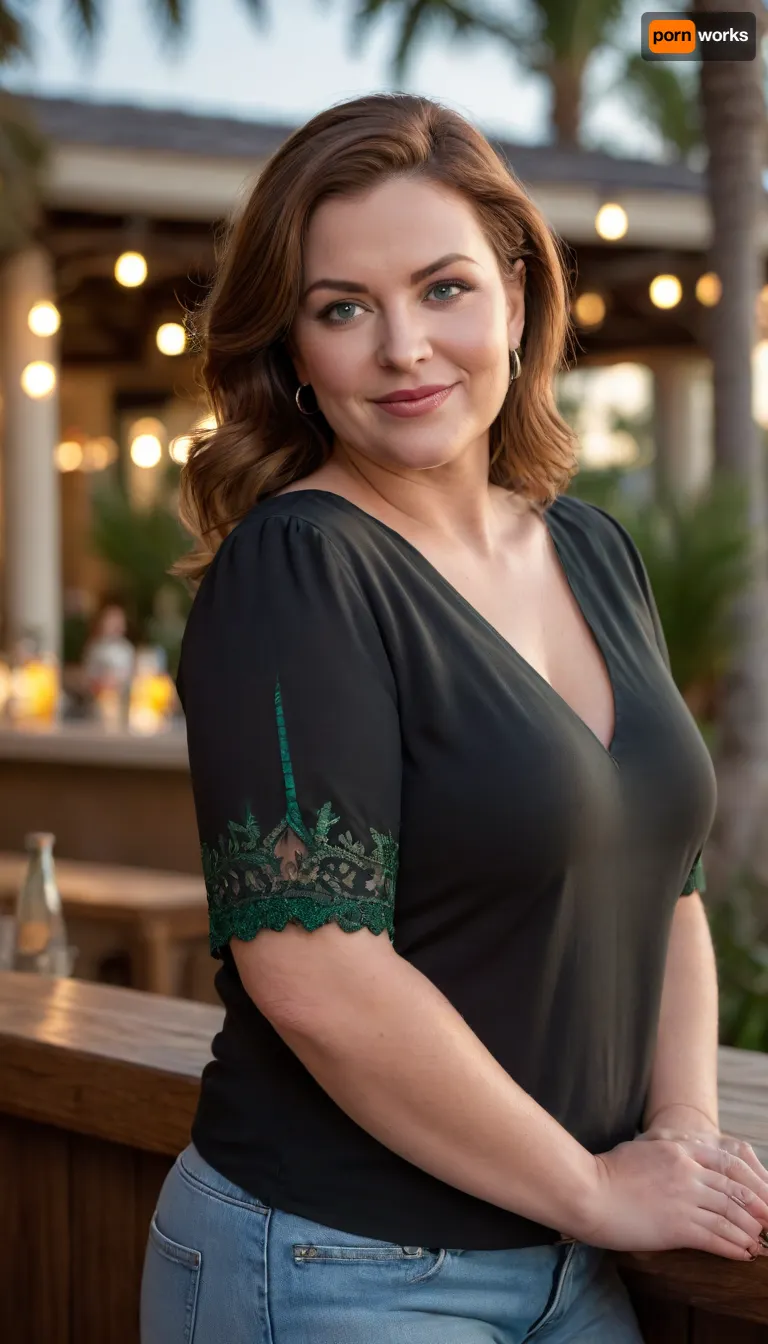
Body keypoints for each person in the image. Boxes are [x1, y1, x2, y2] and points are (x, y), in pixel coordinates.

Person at [140, 94, 768, 1344]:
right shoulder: (299, 567)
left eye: (443, 289)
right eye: (343, 309)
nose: (403, 349)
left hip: (566, 1258)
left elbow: (672, 892)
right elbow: (314, 971)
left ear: (519, 300)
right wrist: (596, 1186)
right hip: (331, 1266)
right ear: (297, 350)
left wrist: (683, 1133)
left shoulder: (592, 549)